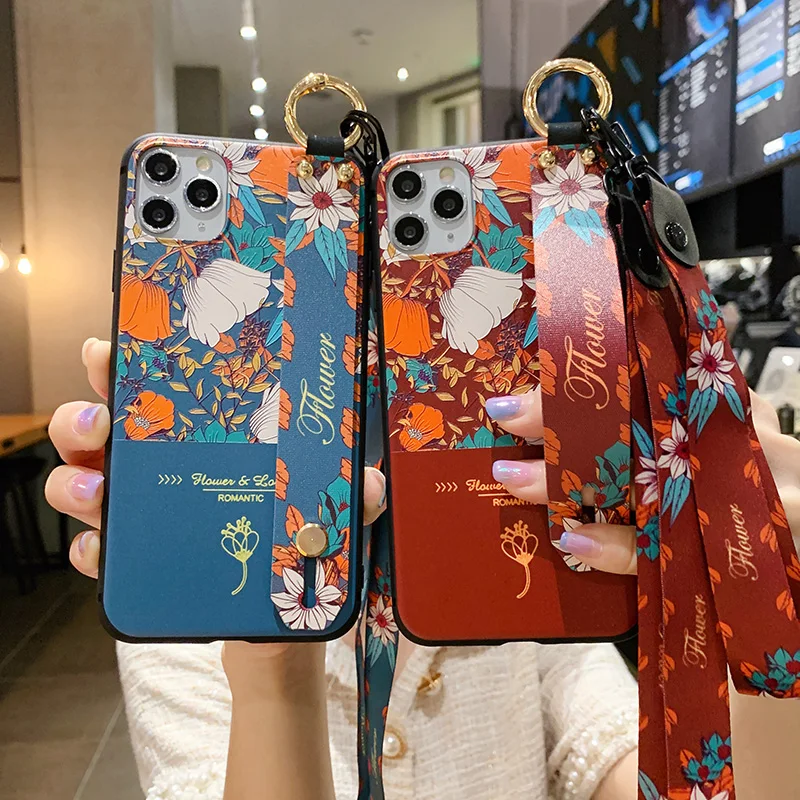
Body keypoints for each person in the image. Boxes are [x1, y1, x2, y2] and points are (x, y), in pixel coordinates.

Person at [45, 338, 800, 800]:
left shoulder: (514, 565)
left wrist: (767, 602)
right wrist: (273, 668)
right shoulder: (192, 612)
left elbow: (646, 766)